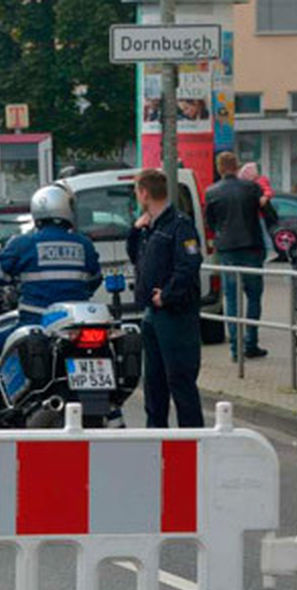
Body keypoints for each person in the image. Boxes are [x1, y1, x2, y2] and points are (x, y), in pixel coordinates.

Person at [0, 184, 101, 369]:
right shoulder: (84, 244)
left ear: (38, 210)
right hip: (75, 324)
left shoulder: (23, 244)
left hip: (35, 321)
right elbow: (95, 279)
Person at [127, 169, 204, 428]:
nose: (137, 197)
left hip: (175, 314)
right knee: (154, 382)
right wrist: (135, 231)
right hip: (153, 314)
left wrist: (167, 295)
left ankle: (191, 439)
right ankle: (155, 436)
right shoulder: (152, 226)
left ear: (145, 193)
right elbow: (136, 257)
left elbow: (190, 263)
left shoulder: (179, 225)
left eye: (137, 191)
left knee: (180, 380)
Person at [204, 151, 268, 360]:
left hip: (227, 250)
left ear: (219, 168)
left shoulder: (211, 192)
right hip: (252, 246)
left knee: (231, 298)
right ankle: (251, 342)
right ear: (236, 165)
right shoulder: (251, 188)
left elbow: (210, 223)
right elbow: (264, 213)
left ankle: (234, 348)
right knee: (254, 296)